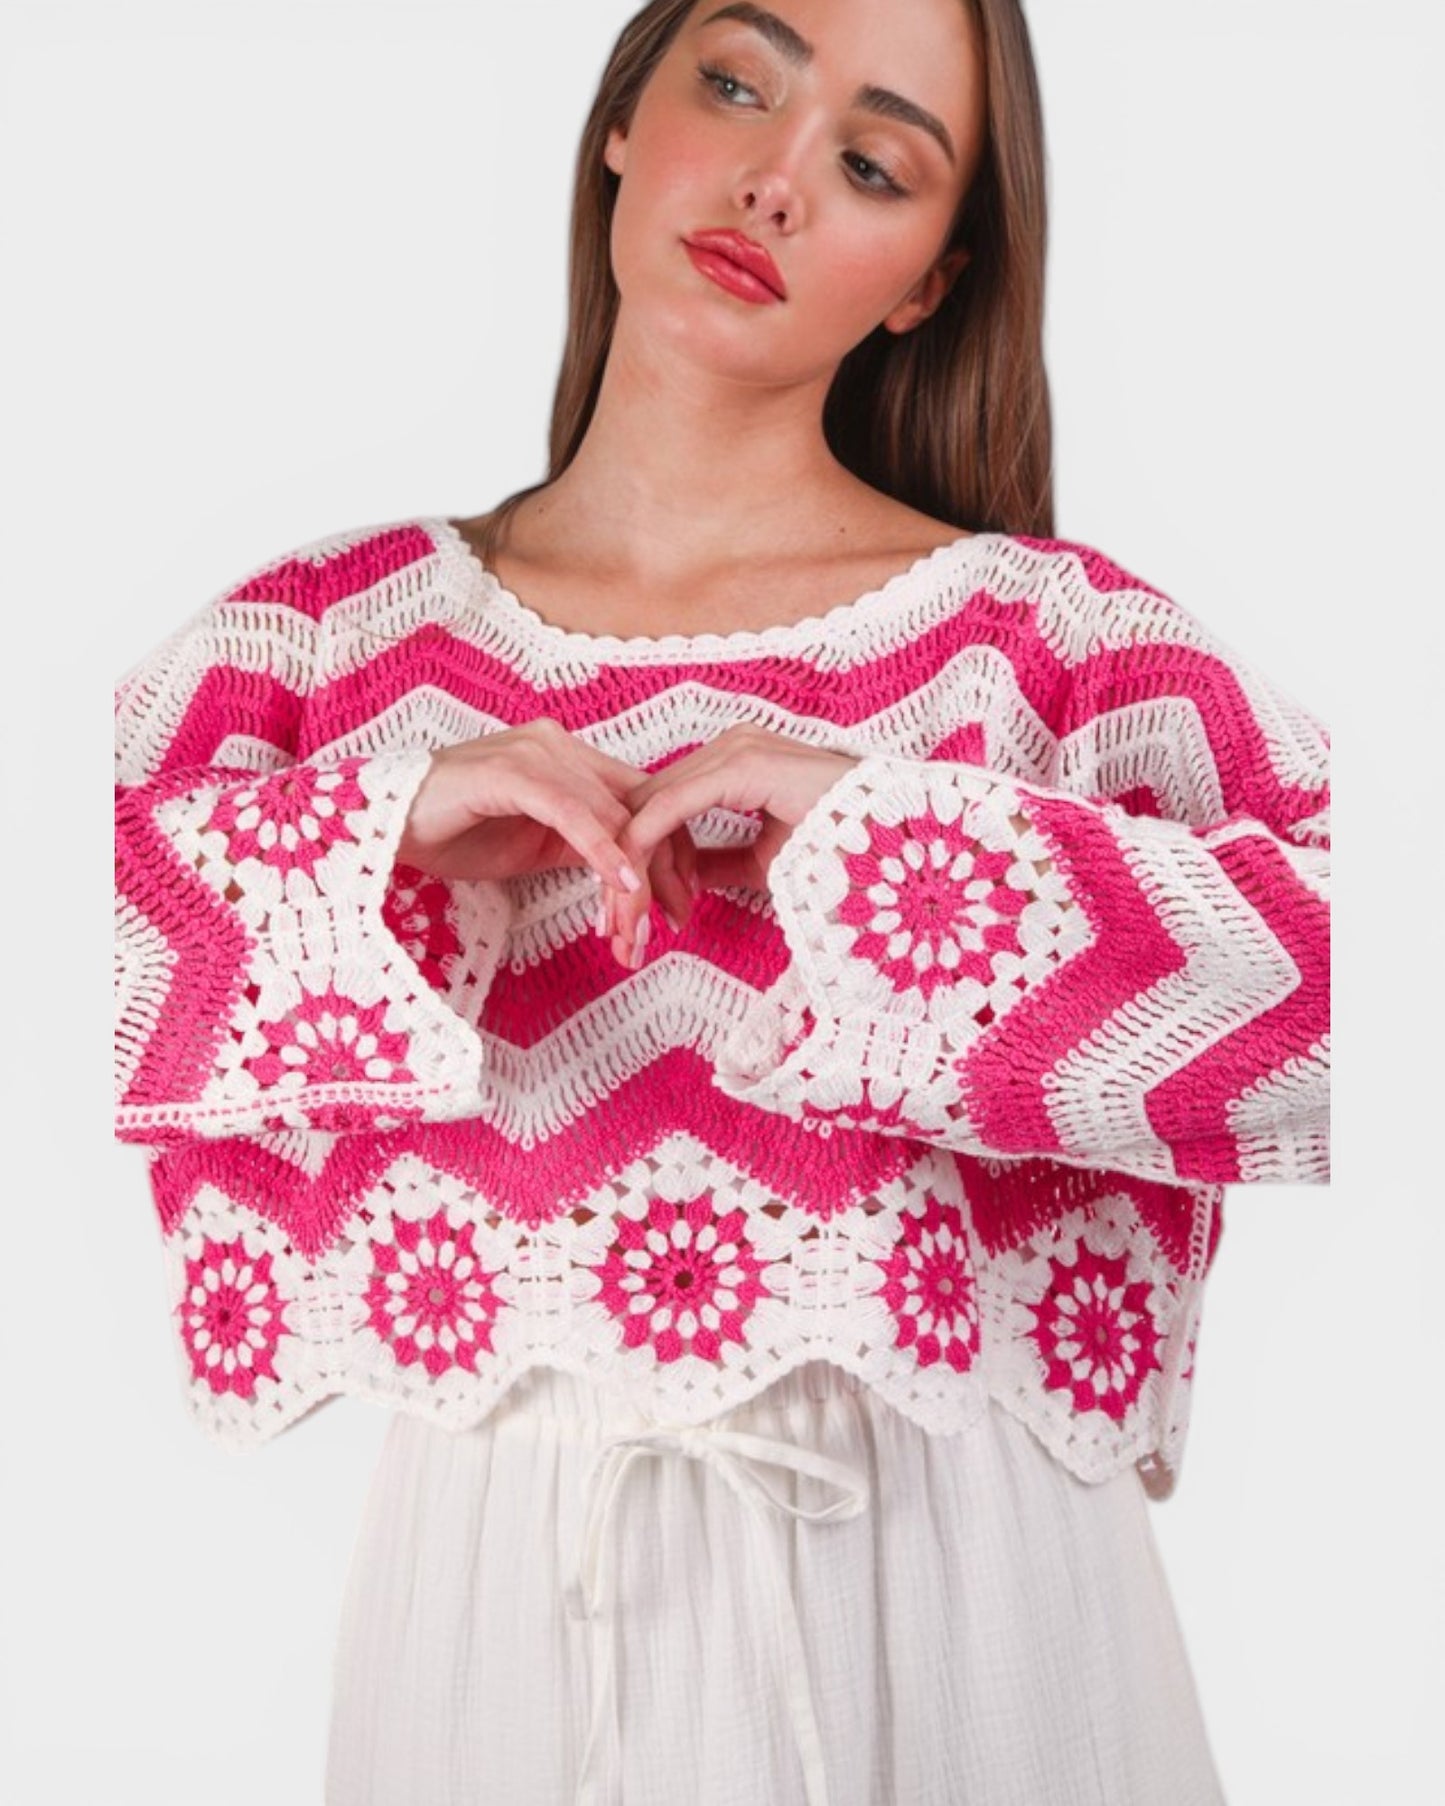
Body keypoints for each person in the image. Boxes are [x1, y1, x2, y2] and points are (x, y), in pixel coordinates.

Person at [111, 1, 1330, 1802]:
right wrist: (379, 830)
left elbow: (1337, 1001)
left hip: (965, 1570)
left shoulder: (1053, 649)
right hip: (508, 1593)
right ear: (620, 121)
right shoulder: (316, 649)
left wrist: (904, 851)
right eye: (735, 83)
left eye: (870, 162)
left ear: (930, 276)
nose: (770, 180)